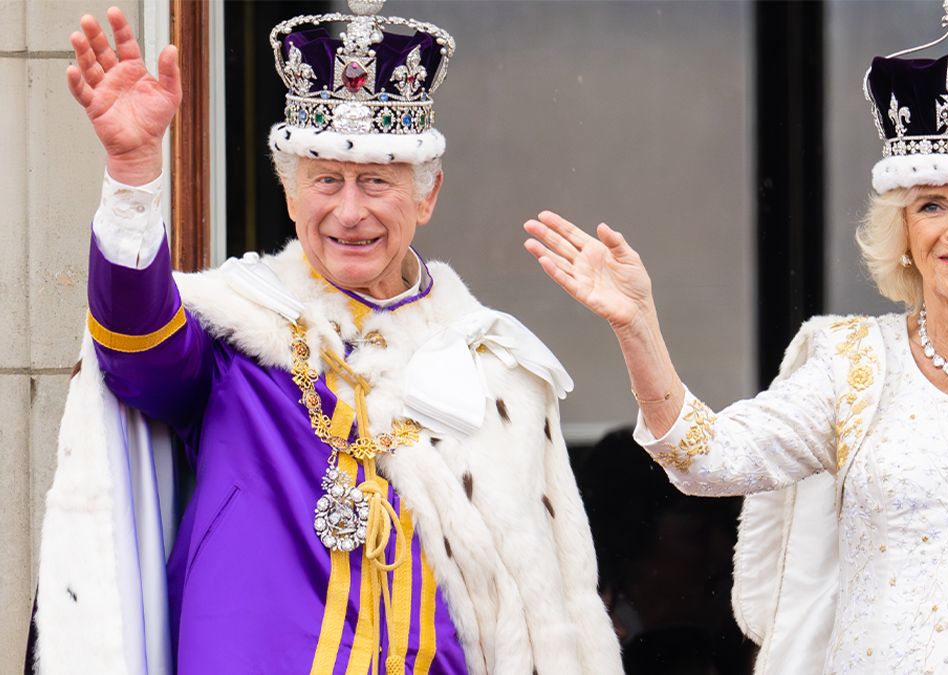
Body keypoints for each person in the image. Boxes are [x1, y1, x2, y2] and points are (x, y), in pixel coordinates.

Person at [522, 3, 948, 674]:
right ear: (904, 233)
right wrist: (638, 325)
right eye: (931, 205)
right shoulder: (850, 362)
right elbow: (705, 459)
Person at [31, 3, 621, 675]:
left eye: (376, 181)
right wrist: (133, 173)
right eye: (326, 180)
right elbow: (137, 353)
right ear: (288, 191)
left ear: (426, 196)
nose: (349, 211)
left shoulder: (495, 374)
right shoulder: (239, 339)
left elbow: (538, 616)